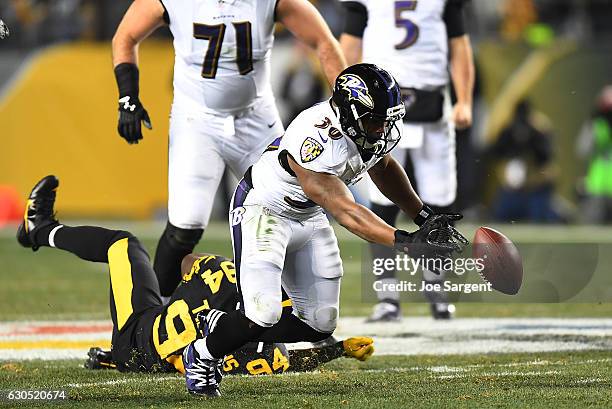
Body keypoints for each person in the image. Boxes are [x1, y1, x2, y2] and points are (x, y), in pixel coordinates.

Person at [181, 63, 465, 397]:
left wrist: (423, 216)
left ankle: (224, 325)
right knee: (264, 313)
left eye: (386, 121)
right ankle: (202, 354)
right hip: (265, 211)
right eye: (375, 120)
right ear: (349, 111)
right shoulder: (313, 136)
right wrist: (405, 242)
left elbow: (383, 167)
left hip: (308, 215)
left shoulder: (365, 130)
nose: (381, 129)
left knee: (319, 323)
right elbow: (345, 210)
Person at [16, 176, 374, 382]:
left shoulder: (231, 278)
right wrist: (335, 351)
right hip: (152, 344)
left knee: (122, 244)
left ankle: (43, 230)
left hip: (138, 332)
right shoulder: (263, 321)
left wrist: (195, 289)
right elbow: (281, 361)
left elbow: (189, 262)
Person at [111, 0, 346, 301]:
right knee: (186, 224)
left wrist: (343, 104)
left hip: (256, 117)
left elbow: (323, 41)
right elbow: (126, 36)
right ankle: (150, 323)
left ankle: (306, 315)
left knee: (294, 210)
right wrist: (127, 96)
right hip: (196, 120)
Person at [339, 0, 475, 321]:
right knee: (381, 202)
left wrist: (465, 99)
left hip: (432, 106)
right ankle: (387, 297)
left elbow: (459, 44)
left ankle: (436, 288)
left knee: (439, 203)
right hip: (380, 109)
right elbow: (350, 44)